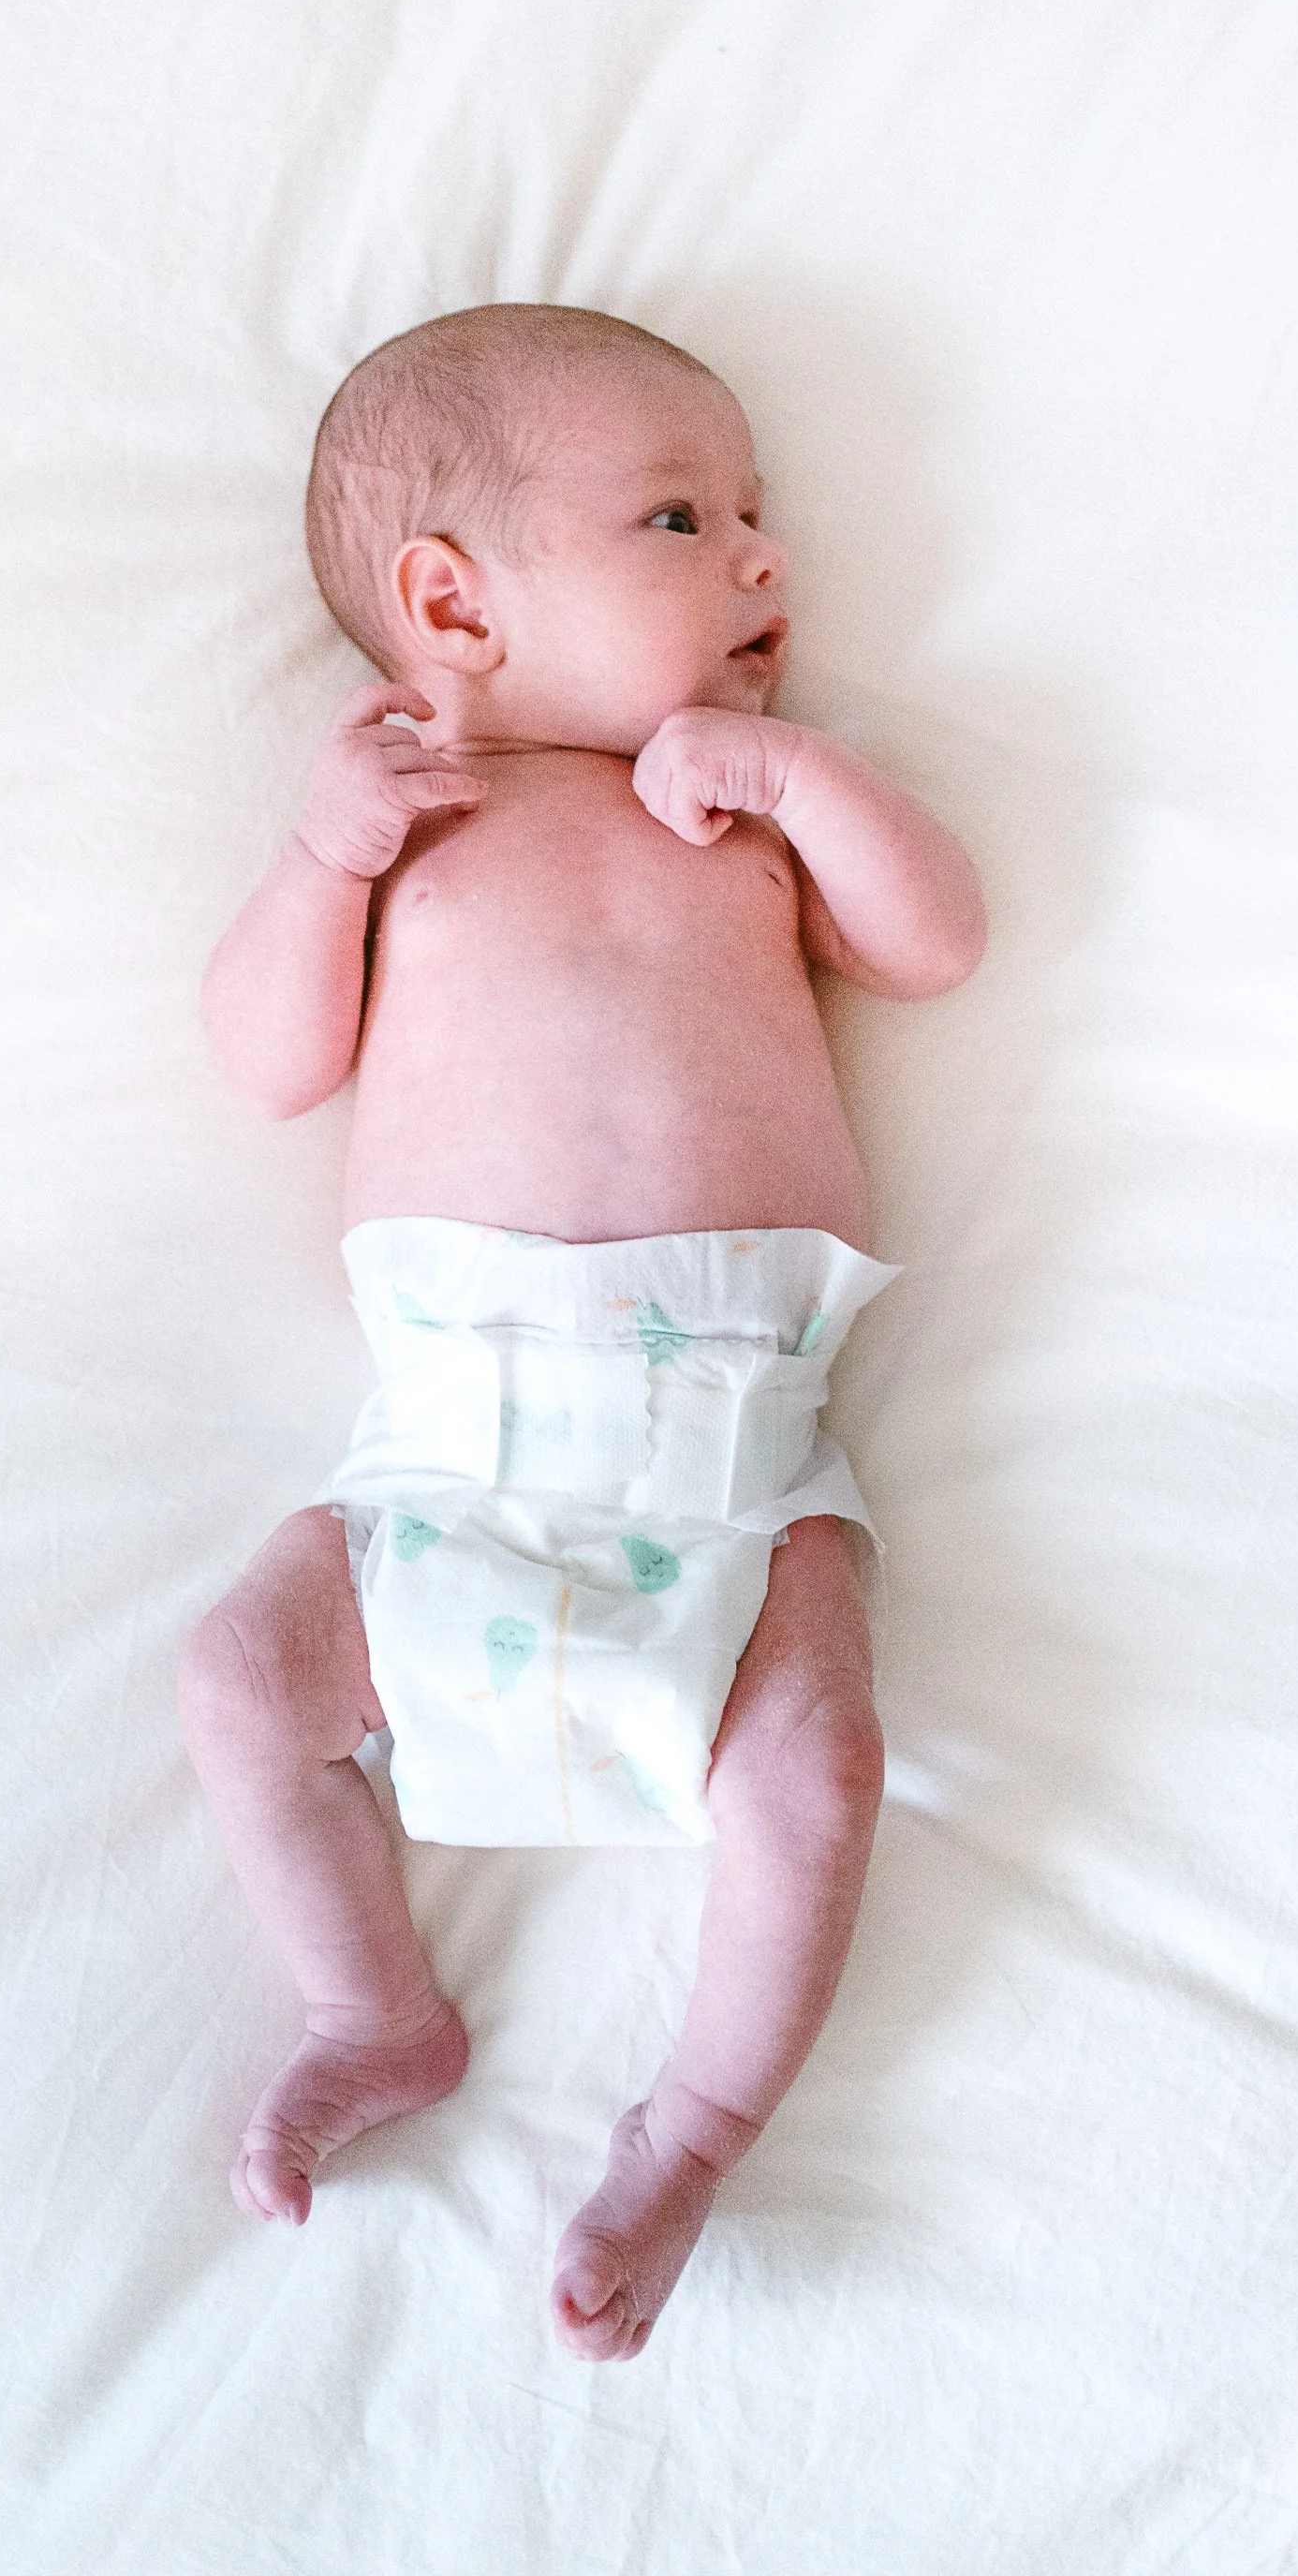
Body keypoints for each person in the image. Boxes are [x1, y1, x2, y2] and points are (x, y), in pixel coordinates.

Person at [184, 303, 984, 2361]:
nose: (761, 561)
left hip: (738, 1442)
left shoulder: (738, 819)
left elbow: (935, 944)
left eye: (756, 519)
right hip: (444, 1439)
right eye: (679, 514)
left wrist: (807, 782)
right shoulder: (415, 828)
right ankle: (373, 2005)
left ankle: (699, 2123)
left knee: (815, 1771)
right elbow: (270, 1063)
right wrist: (316, 859)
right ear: (451, 604)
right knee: (244, 1674)